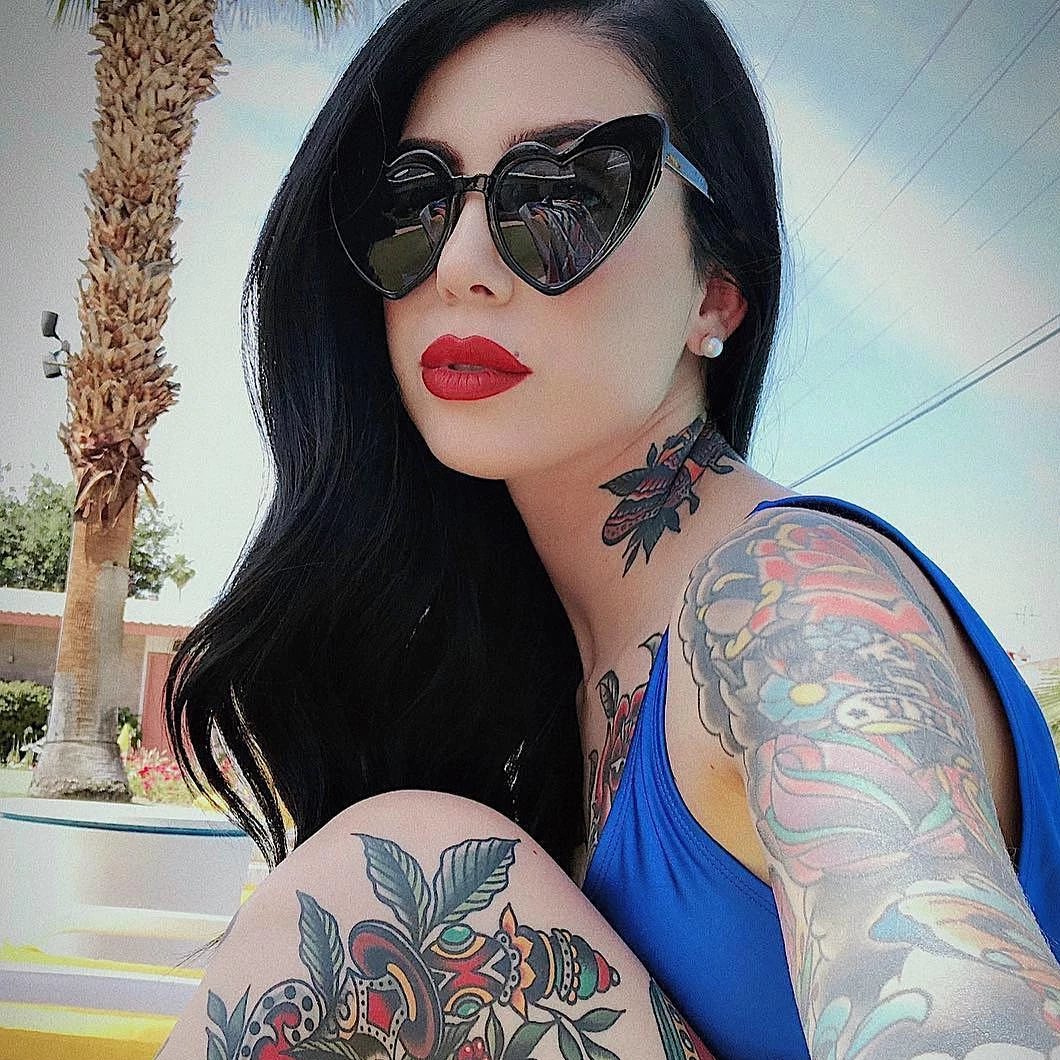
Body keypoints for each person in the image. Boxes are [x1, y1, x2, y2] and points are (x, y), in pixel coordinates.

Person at [157, 1, 1060, 1057]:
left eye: (563, 194)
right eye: (415, 202)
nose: (459, 262)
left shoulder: (797, 599)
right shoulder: (535, 689)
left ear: (716, 294)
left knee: (391, 883)